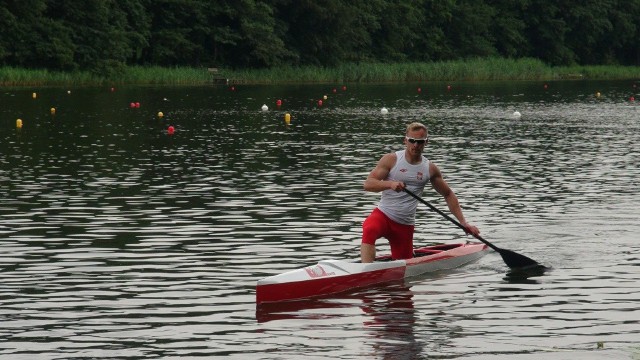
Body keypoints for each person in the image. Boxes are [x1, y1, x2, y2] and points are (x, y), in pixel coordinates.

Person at [361, 122, 480, 263]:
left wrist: (463, 222)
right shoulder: (391, 160)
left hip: (405, 224)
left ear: (426, 142)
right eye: (412, 141)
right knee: (369, 229)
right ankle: (365, 271)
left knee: (403, 264)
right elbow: (368, 184)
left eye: (420, 142)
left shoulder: (429, 169)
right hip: (384, 216)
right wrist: (390, 184)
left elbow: (448, 194)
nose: (415, 145)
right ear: (405, 140)